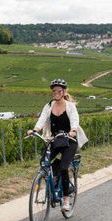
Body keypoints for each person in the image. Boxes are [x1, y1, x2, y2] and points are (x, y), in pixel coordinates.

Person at [27, 79, 88, 211]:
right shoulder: (49, 106)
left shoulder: (70, 106)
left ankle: (66, 198)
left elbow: (75, 120)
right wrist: (35, 130)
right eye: (54, 91)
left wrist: (73, 131)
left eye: (58, 91)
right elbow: (42, 119)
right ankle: (54, 178)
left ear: (64, 91)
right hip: (55, 140)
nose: (55, 93)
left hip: (69, 141)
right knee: (44, 162)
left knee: (64, 167)